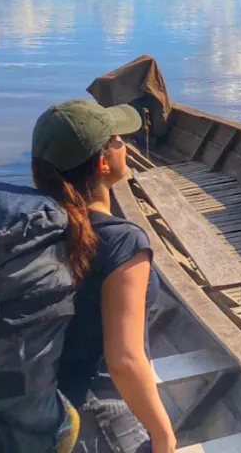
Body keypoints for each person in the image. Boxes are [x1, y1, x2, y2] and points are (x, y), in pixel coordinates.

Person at [30, 98, 176, 453]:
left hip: (38, 411)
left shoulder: (30, 229)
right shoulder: (122, 241)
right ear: (102, 162)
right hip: (101, 418)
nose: (125, 144)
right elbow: (124, 361)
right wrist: (164, 437)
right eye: (118, 139)